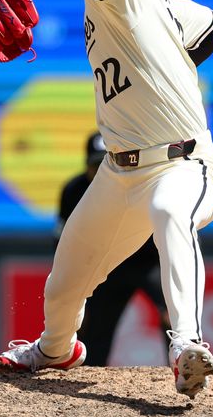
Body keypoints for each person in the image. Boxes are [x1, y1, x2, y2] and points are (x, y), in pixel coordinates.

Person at [0, 0, 213, 399]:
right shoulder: (153, 0)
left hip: (185, 163)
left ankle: (187, 346)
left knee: (168, 212)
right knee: (65, 280)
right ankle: (55, 349)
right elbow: (211, 24)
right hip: (118, 176)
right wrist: (170, 64)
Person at [56, 131, 170, 366]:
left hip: (150, 261)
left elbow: (178, 232)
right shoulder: (75, 191)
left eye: (106, 164)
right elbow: (67, 245)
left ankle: (183, 373)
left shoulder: (145, 185)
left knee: (175, 319)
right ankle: (84, 395)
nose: (100, 173)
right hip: (109, 265)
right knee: (95, 331)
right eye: (95, 166)